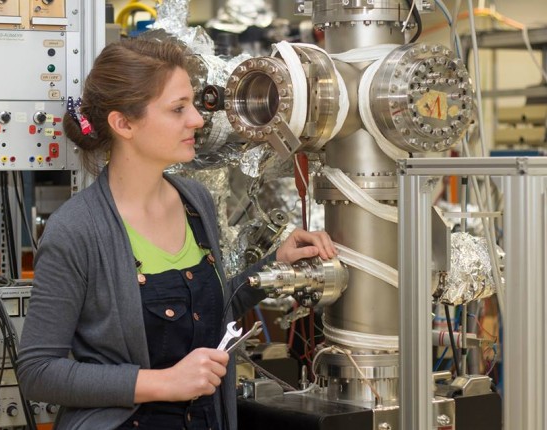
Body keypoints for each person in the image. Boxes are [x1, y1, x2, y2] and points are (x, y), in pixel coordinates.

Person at [17, 38, 337, 430]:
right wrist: (163, 383)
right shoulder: (76, 229)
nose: (198, 120)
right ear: (123, 124)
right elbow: (38, 371)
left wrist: (275, 265)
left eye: (193, 105)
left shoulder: (194, 201)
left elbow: (207, 311)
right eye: (178, 108)